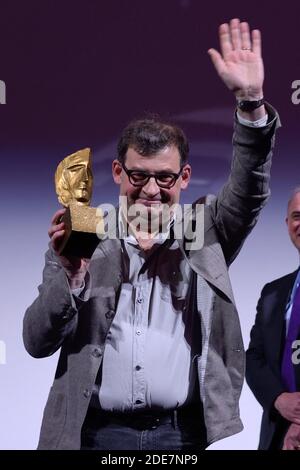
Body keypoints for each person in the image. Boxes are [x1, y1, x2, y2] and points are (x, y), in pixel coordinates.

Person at [23, 18, 280, 450]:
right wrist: (70, 275)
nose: (151, 190)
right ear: (119, 172)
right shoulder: (83, 237)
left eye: (164, 177)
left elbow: (250, 186)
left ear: (184, 178)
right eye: (139, 175)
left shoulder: (208, 232)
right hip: (98, 436)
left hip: (179, 436)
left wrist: (252, 103)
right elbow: (36, 341)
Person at [246, 189, 300, 450]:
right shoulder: (273, 293)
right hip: (276, 435)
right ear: (288, 223)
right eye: (297, 216)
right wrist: (278, 399)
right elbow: (254, 358)